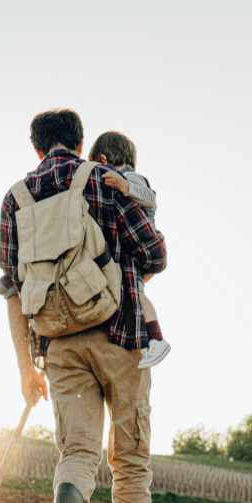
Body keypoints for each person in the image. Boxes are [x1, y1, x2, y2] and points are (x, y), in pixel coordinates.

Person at [0, 109, 167, 503]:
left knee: (77, 452)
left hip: (58, 344)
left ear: (36, 148)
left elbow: (12, 287)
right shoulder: (104, 179)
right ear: (81, 142)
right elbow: (155, 252)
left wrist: (25, 368)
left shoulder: (15, 199)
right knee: (130, 452)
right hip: (122, 332)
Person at [89, 131, 170, 369]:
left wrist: (125, 186)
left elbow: (150, 197)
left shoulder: (133, 178)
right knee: (135, 295)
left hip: (138, 250)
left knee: (138, 295)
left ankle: (156, 339)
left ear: (102, 160)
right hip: (131, 251)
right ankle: (148, 341)